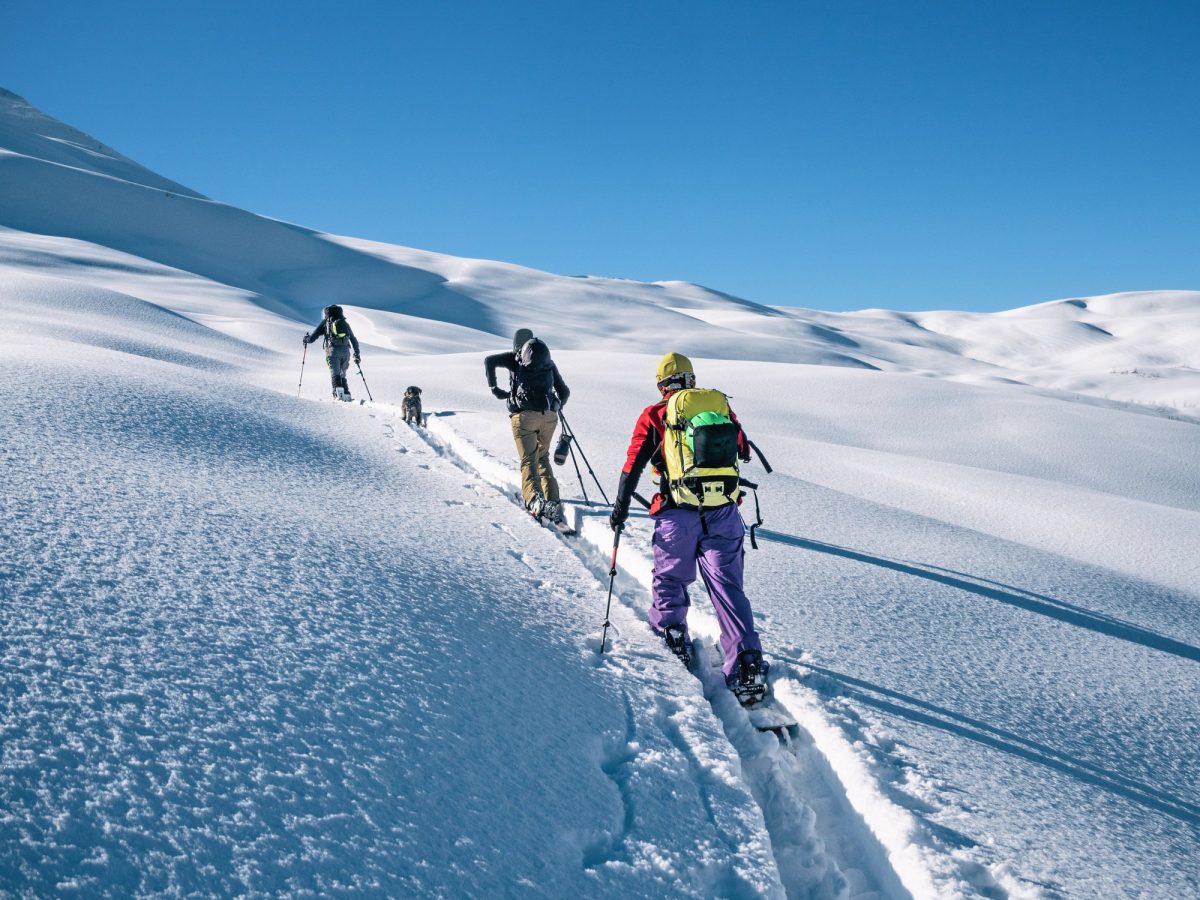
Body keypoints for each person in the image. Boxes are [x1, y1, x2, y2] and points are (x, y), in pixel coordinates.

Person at [608, 352, 769, 705]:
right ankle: (746, 662)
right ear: (691, 380)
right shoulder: (719, 407)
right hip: (724, 512)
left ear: (661, 385)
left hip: (677, 514)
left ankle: (672, 631)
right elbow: (742, 450)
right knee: (728, 587)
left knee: (671, 577)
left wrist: (619, 508)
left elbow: (633, 463)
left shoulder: (656, 415)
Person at [485, 329, 571, 527]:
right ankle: (553, 501)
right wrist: (556, 404)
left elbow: (488, 361)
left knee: (528, 460)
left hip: (523, 417)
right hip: (549, 417)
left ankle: (534, 500)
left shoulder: (513, 358)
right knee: (542, 457)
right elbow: (564, 392)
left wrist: (495, 389)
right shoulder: (548, 363)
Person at [303, 305, 360, 401]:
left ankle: (338, 396)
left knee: (335, 374)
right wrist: (357, 353)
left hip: (333, 351)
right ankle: (346, 394)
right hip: (346, 351)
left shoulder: (325, 323)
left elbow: (312, 339)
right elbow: (353, 339)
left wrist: (305, 339)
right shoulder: (345, 323)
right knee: (342, 374)